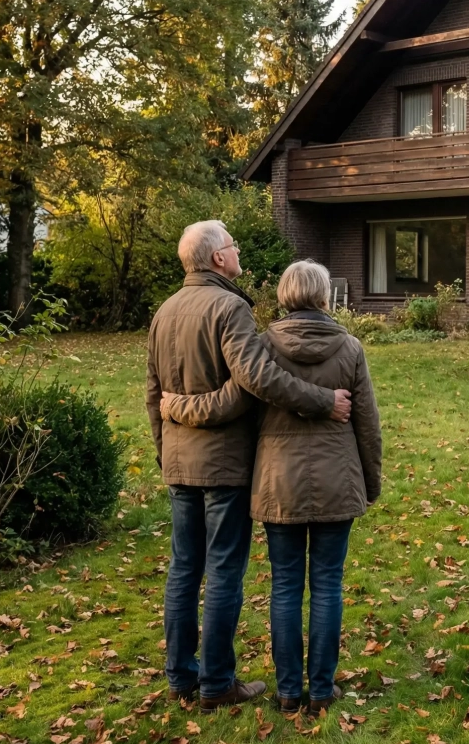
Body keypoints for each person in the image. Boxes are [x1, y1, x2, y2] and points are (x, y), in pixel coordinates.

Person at [160, 259, 382, 716]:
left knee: (284, 585)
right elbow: (368, 425)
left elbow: (247, 405)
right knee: (327, 584)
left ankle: (286, 693)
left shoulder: (262, 347)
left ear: (282, 297)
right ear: (324, 297)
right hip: (337, 479)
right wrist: (370, 483)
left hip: (277, 482)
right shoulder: (350, 348)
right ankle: (320, 692)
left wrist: (173, 411)